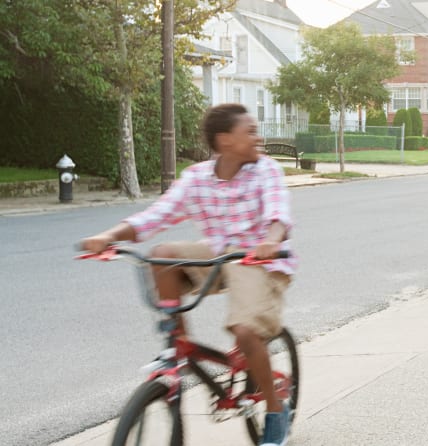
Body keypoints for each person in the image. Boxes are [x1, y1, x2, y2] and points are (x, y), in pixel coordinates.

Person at [80, 103, 297, 444]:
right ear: (225, 141)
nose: (259, 137)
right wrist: (108, 237)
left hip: (257, 259)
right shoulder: (197, 178)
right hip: (217, 255)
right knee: (161, 255)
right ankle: (175, 341)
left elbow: (277, 215)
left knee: (244, 330)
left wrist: (270, 241)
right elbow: (157, 215)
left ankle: (274, 410)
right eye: (250, 131)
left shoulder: (266, 170)